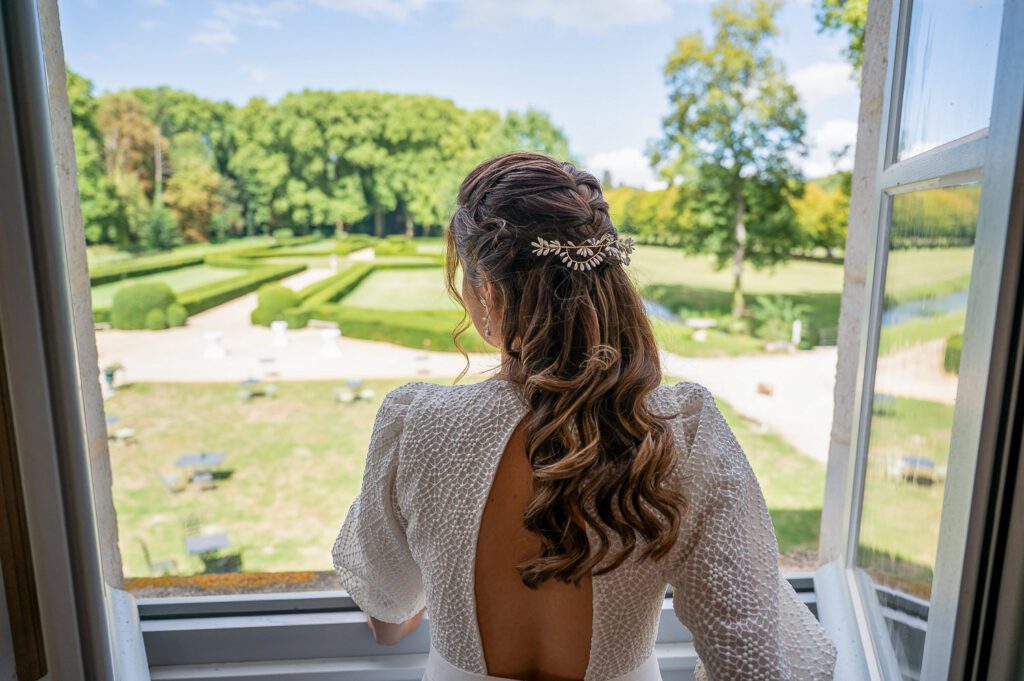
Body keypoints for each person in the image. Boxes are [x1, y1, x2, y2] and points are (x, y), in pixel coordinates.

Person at [332, 152, 837, 681]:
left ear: (487, 291)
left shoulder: (418, 425)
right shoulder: (679, 431)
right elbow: (753, 660)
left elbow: (388, 613)